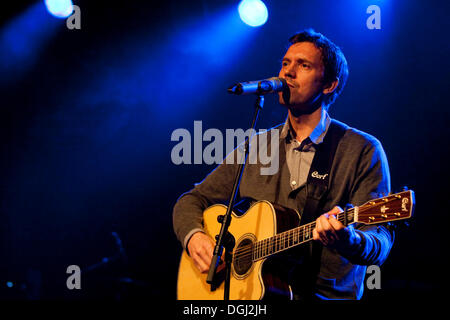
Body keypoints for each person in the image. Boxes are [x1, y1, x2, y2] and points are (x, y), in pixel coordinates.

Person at [173, 29, 393, 300]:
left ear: (329, 85)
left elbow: (379, 240)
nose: (288, 72)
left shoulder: (362, 149)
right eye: (286, 63)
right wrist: (195, 237)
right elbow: (191, 200)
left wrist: (350, 240)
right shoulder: (256, 146)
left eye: (304, 65)